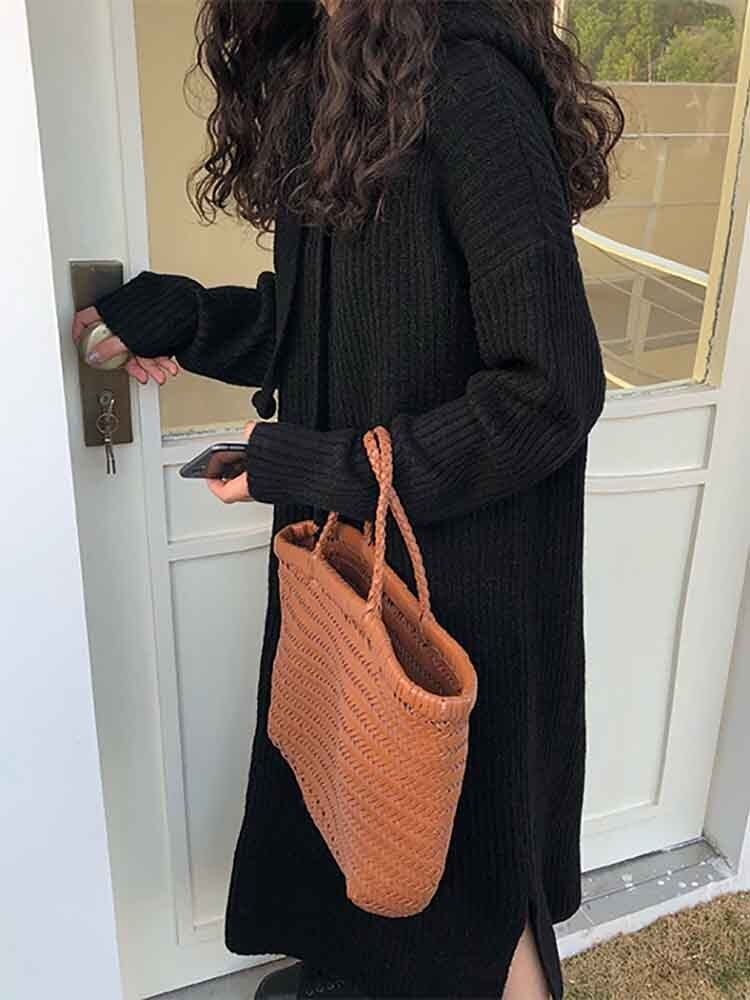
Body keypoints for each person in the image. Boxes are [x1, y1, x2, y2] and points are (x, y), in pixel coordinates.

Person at [72, 2, 623, 997]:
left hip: (467, 595)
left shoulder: (472, 91)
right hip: (358, 568)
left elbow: (552, 388)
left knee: (476, 889)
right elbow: (335, 325)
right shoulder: (331, 75)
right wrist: (186, 317)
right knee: (362, 848)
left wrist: (326, 470)